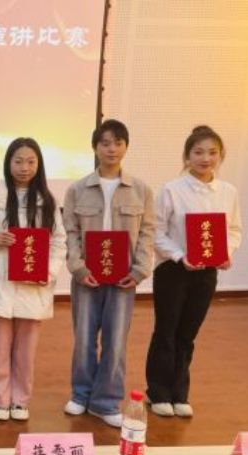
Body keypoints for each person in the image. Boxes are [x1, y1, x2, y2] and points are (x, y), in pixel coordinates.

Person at [62, 119, 155, 427]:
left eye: (117, 143)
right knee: (84, 339)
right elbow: (71, 232)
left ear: (126, 147)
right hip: (86, 276)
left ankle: (107, 401)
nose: (111, 149)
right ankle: (81, 395)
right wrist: (78, 268)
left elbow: (148, 233)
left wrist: (139, 271)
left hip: (123, 279)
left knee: (115, 341)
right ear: (95, 148)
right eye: (104, 143)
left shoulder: (141, 190)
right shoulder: (77, 189)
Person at [145, 125, 242, 418]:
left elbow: (234, 230)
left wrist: (226, 253)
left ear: (221, 156)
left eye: (212, 153)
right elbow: (156, 232)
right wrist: (180, 255)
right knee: (166, 330)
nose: (205, 158)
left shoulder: (228, 192)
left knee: (188, 333)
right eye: (198, 152)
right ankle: (158, 393)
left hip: (206, 273)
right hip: (173, 270)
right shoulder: (171, 190)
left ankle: (180, 394)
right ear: (187, 156)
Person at [0, 137, 66, 421]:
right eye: (18, 161)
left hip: (33, 286)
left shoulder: (48, 201)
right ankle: (1, 399)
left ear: (39, 165)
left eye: (31, 161)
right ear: (8, 163)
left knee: (26, 351)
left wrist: (49, 272)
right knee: (0, 348)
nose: (24, 167)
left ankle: (21, 401)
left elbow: (58, 242)